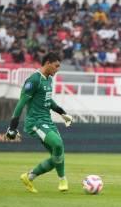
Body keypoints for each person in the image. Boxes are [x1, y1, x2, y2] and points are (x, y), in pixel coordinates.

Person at [5, 52, 73, 193]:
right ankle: (62, 180)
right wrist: (12, 127)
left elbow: (48, 101)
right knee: (58, 144)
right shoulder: (34, 80)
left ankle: (28, 177)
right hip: (35, 122)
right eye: (56, 66)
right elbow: (21, 103)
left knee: (57, 155)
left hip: (46, 120)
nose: (57, 69)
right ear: (47, 63)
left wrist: (63, 113)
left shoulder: (48, 79)